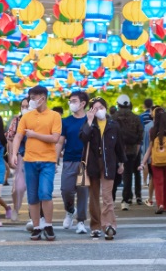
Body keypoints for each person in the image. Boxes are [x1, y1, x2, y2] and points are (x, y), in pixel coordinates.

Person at [10, 85, 62, 241]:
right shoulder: (26, 117)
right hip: (29, 160)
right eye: (30, 98)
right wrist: (14, 153)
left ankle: (49, 225)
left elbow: (55, 138)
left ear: (43, 98)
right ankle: (37, 226)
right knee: (32, 196)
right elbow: (18, 136)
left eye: (34, 98)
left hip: (47, 160)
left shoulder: (54, 116)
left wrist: (34, 135)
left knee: (45, 193)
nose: (32, 101)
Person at [81, 97, 126, 240]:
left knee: (107, 196)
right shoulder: (89, 124)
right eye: (95, 108)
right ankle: (95, 226)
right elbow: (82, 138)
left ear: (106, 108)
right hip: (93, 163)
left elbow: (119, 145)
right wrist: (88, 121)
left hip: (109, 163)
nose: (98, 110)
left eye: (101, 107)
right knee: (94, 197)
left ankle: (109, 225)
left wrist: (121, 163)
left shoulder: (113, 125)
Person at [139, 107, 166, 214]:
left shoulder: (152, 131)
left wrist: (143, 163)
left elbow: (149, 149)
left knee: (158, 182)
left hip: (156, 161)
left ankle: (160, 204)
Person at [57, 91, 90, 235]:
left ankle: (81, 221)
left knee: (83, 191)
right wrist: (55, 158)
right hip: (69, 160)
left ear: (83, 103)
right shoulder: (65, 121)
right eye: (70, 101)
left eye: (74, 101)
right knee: (66, 190)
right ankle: (70, 210)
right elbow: (60, 141)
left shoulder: (90, 120)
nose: (71, 103)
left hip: (84, 162)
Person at [113, 94, 144, 209]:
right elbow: (140, 136)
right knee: (128, 176)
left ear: (118, 104)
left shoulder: (113, 117)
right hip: (130, 151)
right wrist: (136, 152)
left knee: (115, 176)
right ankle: (126, 200)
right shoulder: (135, 118)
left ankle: (111, 199)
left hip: (116, 151)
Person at [5, 99, 30, 223]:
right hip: (21, 156)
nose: (24, 108)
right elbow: (10, 138)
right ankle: (16, 208)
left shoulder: (38, 119)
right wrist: (11, 155)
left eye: (27, 106)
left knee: (34, 187)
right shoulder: (16, 120)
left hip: (36, 156)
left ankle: (34, 215)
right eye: (23, 106)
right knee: (18, 187)